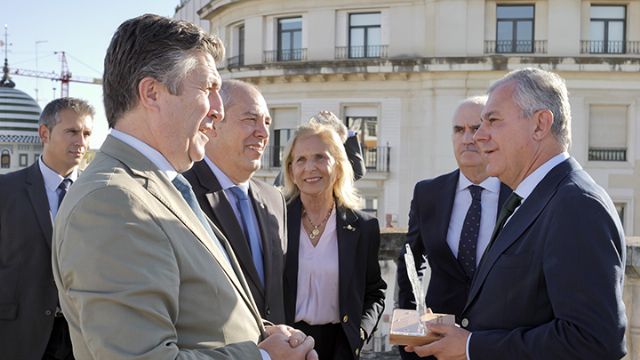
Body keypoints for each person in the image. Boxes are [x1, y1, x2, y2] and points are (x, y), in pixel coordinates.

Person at [51, 14, 316, 359]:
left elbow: (197, 316)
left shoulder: (163, 187)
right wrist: (265, 357)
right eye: (209, 90)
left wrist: (264, 335)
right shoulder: (112, 201)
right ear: (152, 93)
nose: (219, 111)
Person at [405, 68, 627, 359]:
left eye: (492, 121)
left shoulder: (577, 205)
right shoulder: (533, 196)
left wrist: (472, 346)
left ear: (540, 125)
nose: (479, 137)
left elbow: (593, 340)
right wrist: (459, 334)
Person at [396, 96, 510, 360]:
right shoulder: (428, 193)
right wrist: (409, 338)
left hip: (497, 344)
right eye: (459, 130)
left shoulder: (519, 195)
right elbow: (410, 264)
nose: (467, 138)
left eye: (476, 129)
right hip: (437, 344)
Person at [184, 79, 287, 323]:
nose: (262, 133)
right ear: (215, 124)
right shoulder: (181, 192)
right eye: (250, 120)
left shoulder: (275, 199)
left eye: (267, 123)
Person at [281, 121, 387, 359]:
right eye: (301, 160)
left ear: (338, 166)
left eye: (320, 157)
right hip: (285, 345)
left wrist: (358, 333)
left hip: (339, 347)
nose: (310, 168)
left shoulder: (364, 227)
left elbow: (375, 292)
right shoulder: (274, 221)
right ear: (290, 171)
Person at [0, 97, 93, 360]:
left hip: (82, 337)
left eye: (87, 133)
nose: (81, 142)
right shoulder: (6, 191)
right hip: (18, 335)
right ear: (44, 133)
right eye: (72, 131)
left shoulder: (100, 193)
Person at [274, 110, 365, 186]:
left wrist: (342, 129)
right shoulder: (293, 169)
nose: (310, 168)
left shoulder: (335, 167)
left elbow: (357, 171)